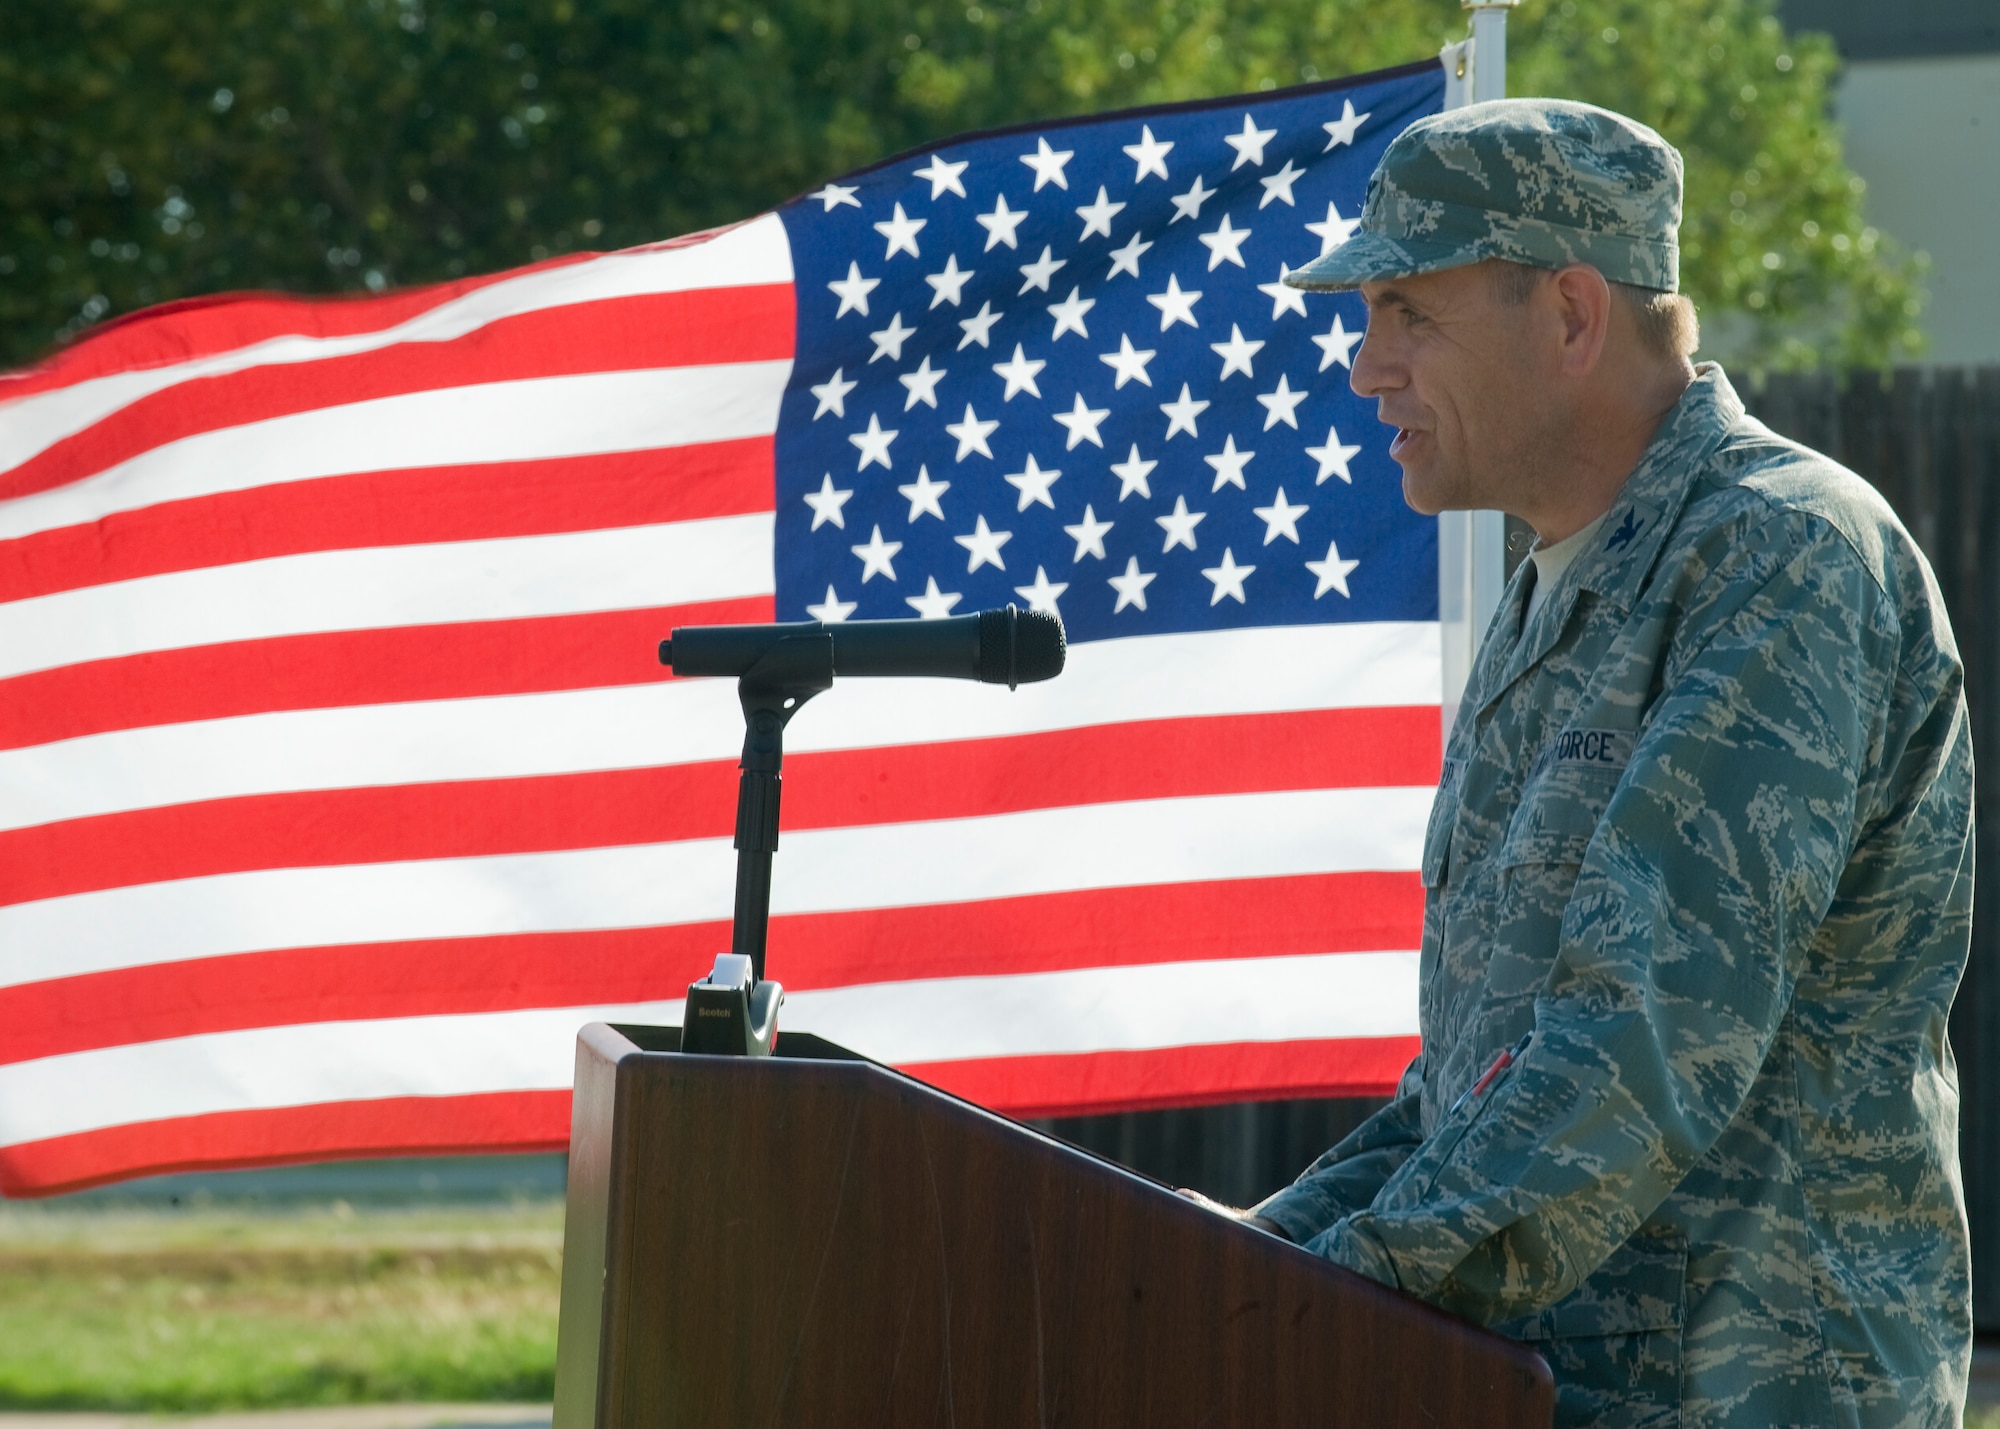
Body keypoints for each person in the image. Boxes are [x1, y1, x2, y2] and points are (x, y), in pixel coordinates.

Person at [1186, 98, 1974, 1426]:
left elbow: (1645, 1040)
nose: (1366, 366)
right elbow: (1458, 1101)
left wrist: (1312, 1306)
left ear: (1568, 315)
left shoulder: (1782, 557)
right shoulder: (1556, 591)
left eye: (1407, 313)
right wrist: (1215, 1272)